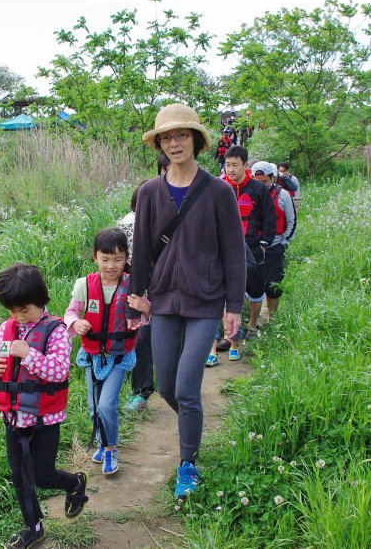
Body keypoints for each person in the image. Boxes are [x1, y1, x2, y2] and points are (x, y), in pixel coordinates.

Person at [126, 104, 246, 500]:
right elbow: (141, 251)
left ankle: (187, 463)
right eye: (166, 137)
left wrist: (233, 306)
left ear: (196, 140)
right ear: (159, 144)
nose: (174, 143)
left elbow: (233, 251)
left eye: (181, 135)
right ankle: (192, 424)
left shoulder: (218, 191)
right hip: (162, 303)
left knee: (188, 388)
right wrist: (135, 301)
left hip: (205, 302)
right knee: (166, 389)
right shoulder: (148, 192)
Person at [0, 264, 88, 549]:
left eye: (24, 310)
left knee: (42, 476)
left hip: (44, 421)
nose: (18, 316)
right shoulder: (7, 330)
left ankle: (75, 483)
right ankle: (34, 526)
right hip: (13, 419)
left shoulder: (56, 333)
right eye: (12, 311)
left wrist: (28, 353)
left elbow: (57, 371)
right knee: (19, 477)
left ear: (41, 300)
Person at [65, 228, 138, 475]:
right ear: (95, 257)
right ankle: (102, 442)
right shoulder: (84, 285)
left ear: (126, 258)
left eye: (118, 259)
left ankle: (110, 449)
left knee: (107, 405)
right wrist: (76, 323)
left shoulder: (133, 285)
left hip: (119, 356)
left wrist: (144, 312)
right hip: (92, 355)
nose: (111, 265)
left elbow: (146, 314)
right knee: (94, 407)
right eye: (105, 259)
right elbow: (70, 312)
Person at [207, 145, 276, 365]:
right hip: (224, 248)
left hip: (253, 246)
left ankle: (251, 325)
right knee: (224, 291)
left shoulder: (257, 188)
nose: (231, 169)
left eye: (235, 165)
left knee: (255, 289)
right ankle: (228, 335)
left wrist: (264, 243)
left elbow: (268, 216)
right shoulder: (218, 187)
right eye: (227, 165)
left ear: (245, 166)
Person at [117, 185, 155, 412]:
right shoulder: (126, 225)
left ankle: (181, 383)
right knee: (141, 338)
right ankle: (141, 391)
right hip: (138, 287)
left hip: (167, 286)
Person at [248, 162, 296, 328]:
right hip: (253, 247)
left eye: (264, 182)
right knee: (253, 285)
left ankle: (271, 318)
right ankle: (251, 320)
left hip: (275, 246)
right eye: (257, 181)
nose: (261, 185)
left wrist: (285, 242)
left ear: (272, 179)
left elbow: (291, 221)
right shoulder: (249, 194)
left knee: (273, 284)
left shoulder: (283, 196)